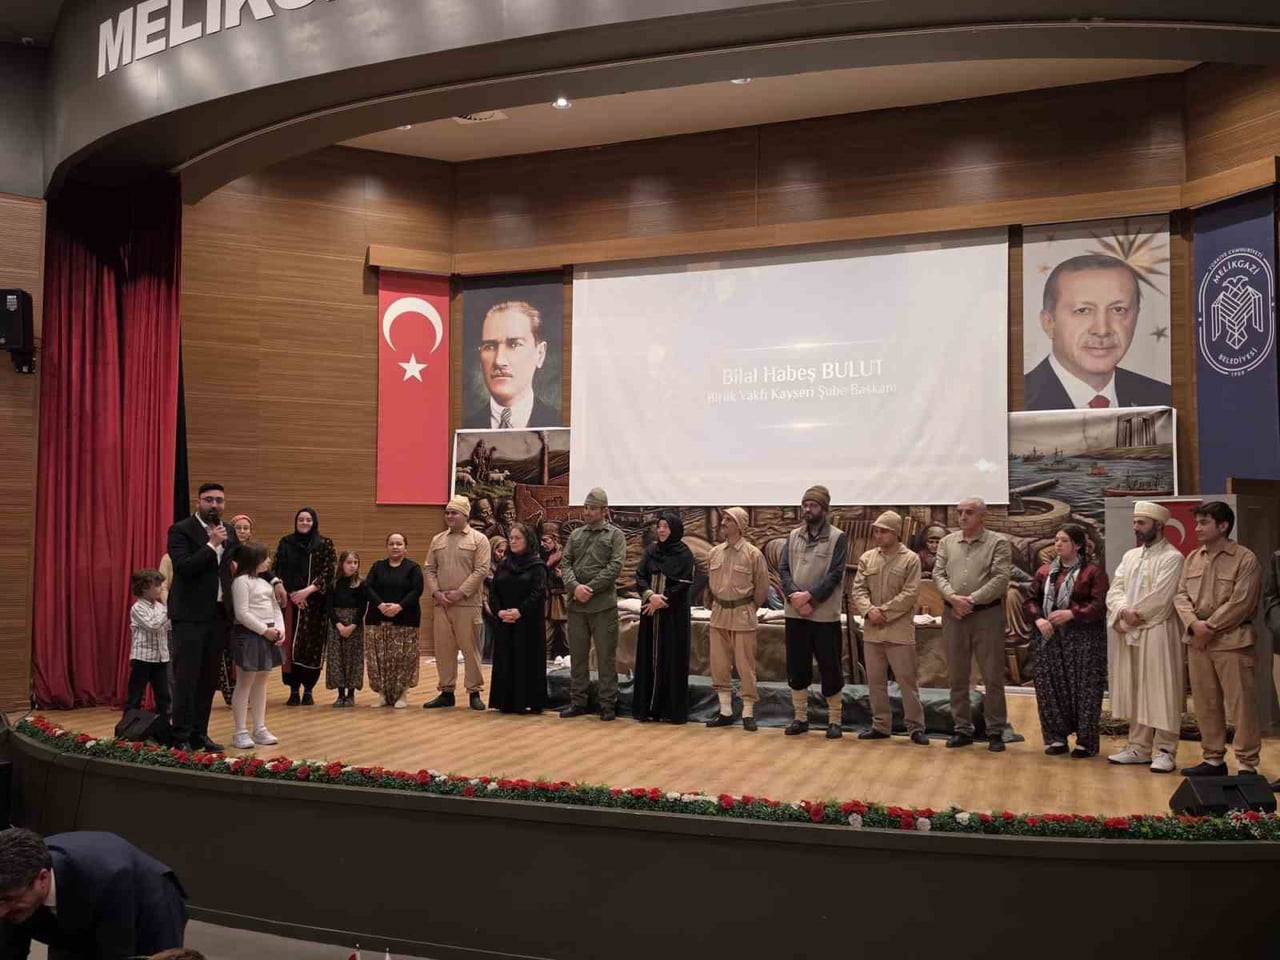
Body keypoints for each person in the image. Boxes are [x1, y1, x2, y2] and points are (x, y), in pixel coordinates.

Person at [166, 483, 284, 753]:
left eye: (219, 501)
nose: (215, 505)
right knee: (187, 677)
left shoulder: (229, 531)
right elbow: (184, 567)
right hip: (190, 615)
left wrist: (274, 579)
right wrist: (211, 544)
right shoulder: (181, 530)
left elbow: (249, 561)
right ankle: (180, 735)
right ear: (199, 502)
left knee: (209, 678)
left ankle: (199, 733)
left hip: (219, 615)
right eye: (209, 500)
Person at [1173, 501, 1265, 778]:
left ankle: (1247, 764)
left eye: (1204, 523)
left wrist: (1208, 627)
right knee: (1205, 703)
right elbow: (1180, 596)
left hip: (1232, 642)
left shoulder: (1245, 558)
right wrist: (1193, 625)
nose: (1197, 528)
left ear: (1223, 526)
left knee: (1241, 705)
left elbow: (1242, 602)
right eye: (1197, 522)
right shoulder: (1192, 558)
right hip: (1199, 644)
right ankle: (1213, 759)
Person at [0, 828, 187, 959]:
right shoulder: (12, 885)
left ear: (42, 878)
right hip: (70, 909)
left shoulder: (107, 879)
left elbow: (117, 952)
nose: (1, 911)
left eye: (9, 899)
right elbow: (7, 951)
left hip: (144, 905)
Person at [1025, 254, 1169, 410]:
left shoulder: (1164, 400)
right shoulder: (1015, 403)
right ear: (1049, 323)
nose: (1102, 330)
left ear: (1136, 317)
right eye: (1083, 310)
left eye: (1118, 310)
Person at [1105, 501, 1187, 774]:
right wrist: (1122, 611)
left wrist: (1134, 614)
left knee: (1161, 690)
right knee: (1137, 689)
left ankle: (1165, 751)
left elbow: (1162, 598)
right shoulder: (1130, 556)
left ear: (1159, 526)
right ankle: (1138, 748)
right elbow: (1115, 589)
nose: (1136, 528)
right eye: (1135, 522)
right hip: (1130, 631)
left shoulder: (1173, 558)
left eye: (1141, 523)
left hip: (1159, 631)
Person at [1023, 524, 1110, 757]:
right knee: (1049, 688)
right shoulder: (1045, 572)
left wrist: (1073, 613)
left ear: (1078, 545)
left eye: (1063, 540)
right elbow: (1030, 600)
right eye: (1056, 540)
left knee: (1084, 689)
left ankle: (1085, 742)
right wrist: (1039, 619)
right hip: (1049, 637)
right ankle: (1056, 738)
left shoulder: (1092, 572)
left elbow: (1100, 605)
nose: (1058, 544)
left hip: (1083, 639)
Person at [933, 497, 1012, 752]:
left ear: (982, 517)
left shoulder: (998, 542)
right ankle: (962, 729)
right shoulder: (947, 542)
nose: (963, 517)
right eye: (960, 512)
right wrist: (954, 599)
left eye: (969, 512)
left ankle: (995, 731)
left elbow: (1000, 578)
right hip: (954, 615)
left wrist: (972, 600)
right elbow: (938, 574)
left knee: (992, 676)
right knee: (957, 675)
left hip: (986, 616)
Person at [851, 511, 928, 745]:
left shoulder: (910, 559)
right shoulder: (867, 558)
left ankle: (915, 727)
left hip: (899, 631)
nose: (878, 534)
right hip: (873, 631)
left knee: (907, 682)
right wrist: (868, 610)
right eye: (876, 530)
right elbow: (858, 590)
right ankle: (881, 725)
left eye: (883, 530)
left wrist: (883, 612)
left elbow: (910, 593)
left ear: (895, 533)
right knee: (875, 682)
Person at [778, 484, 849, 739]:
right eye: (805, 504)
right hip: (796, 613)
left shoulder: (837, 537)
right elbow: (783, 570)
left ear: (825, 509)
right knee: (797, 666)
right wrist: (795, 598)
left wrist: (810, 597)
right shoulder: (793, 535)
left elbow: (835, 575)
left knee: (830, 667)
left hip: (824, 615)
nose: (808, 509)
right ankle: (800, 718)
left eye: (813, 505)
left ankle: (834, 720)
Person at [559, 487, 626, 721]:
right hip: (577, 606)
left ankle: (608, 704)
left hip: (603, 608)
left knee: (606, 657)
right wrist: (575, 587)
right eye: (586, 507)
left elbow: (615, 567)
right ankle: (578, 702)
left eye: (593, 508)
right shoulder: (576, 535)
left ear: (604, 510)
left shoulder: (615, 535)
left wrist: (591, 588)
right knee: (577, 656)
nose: (587, 512)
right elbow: (565, 563)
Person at [424, 495, 492, 711]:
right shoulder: (437, 540)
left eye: (454, 513)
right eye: (447, 513)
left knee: (470, 649)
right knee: (443, 650)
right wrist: (436, 593)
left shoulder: (479, 540)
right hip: (442, 604)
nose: (449, 516)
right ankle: (446, 691)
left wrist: (460, 593)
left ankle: (474, 692)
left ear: (465, 515)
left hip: (467, 605)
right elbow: (429, 568)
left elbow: (481, 570)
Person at [704, 507, 770, 731]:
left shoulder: (753, 554)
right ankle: (725, 711)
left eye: (728, 519)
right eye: (723, 518)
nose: (723, 522)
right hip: (719, 613)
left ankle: (748, 713)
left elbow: (762, 588)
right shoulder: (714, 553)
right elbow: (711, 586)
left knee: (745, 664)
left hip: (743, 613)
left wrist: (750, 607)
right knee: (719, 663)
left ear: (740, 526)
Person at [633, 512, 695, 724]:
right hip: (650, 612)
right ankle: (648, 708)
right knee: (649, 657)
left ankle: (671, 710)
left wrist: (663, 599)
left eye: (666, 527)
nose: (661, 530)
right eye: (659, 526)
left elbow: (684, 583)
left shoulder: (684, 553)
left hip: (673, 615)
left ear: (675, 530)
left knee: (672, 657)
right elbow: (640, 576)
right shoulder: (651, 550)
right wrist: (650, 595)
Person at [274, 507, 337, 707]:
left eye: (308, 520)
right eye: (301, 519)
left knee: (311, 648)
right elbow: (277, 568)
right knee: (290, 647)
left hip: (314, 604)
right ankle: (293, 690)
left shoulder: (324, 544)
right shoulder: (285, 543)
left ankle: (308, 690)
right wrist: (291, 594)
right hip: (290, 604)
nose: (304, 523)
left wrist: (307, 591)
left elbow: (329, 571)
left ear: (314, 522)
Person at [466, 300, 561, 428]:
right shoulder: (465, 427)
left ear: (540, 353)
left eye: (515, 345)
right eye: (489, 346)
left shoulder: (560, 424)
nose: (499, 361)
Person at [228, 541, 284, 750]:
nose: (268, 561)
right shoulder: (241, 582)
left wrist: (280, 629)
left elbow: (275, 608)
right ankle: (240, 731)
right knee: (245, 682)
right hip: (249, 635)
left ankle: (259, 727)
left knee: (261, 682)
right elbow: (242, 613)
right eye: (264, 558)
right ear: (253, 560)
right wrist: (264, 630)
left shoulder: (266, 582)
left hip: (268, 635)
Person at [488, 522, 548, 714]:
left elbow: (538, 593)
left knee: (526, 661)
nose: (513, 542)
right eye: (511, 538)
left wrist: (520, 611)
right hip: (505, 622)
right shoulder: (504, 565)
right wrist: (499, 611)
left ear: (528, 540)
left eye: (517, 538)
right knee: (506, 659)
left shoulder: (537, 565)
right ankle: (506, 701)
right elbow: (493, 592)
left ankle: (527, 700)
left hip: (527, 624)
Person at [363, 533, 424, 708]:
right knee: (380, 658)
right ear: (387, 546)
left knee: (403, 659)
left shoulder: (413, 568)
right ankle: (382, 694)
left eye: (399, 543)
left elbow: (416, 590)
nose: (395, 547)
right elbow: (367, 587)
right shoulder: (377, 567)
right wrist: (381, 605)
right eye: (391, 543)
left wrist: (399, 607)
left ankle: (402, 695)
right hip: (378, 619)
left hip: (406, 620)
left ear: (406, 548)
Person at [124, 569, 172, 721]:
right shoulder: (137, 608)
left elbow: (168, 627)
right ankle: (128, 730)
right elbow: (153, 626)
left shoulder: (160, 607)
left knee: (164, 696)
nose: (160, 589)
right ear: (145, 588)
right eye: (157, 586)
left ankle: (164, 729)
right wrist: (169, 610)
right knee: (135, 696)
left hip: (161, 659)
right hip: (142, 659)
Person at [325, 550, 367, 707]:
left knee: (352, 659)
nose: (352, 565)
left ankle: (351, 694)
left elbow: (363, 607)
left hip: (354, 625)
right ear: (342, 564)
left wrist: (352, 625)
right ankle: (340, 693)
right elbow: (329, 607)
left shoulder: (361, 584)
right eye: (349, 562)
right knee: (337, 658)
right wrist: (339, 625)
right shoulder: (333, 584)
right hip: (337, 624)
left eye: (355, 562)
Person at [541, 523, 569, 658]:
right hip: (549, 601)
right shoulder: (545, 556)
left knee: (569, 639)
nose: (542, 544)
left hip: (563, 600)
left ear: (555, 539)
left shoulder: (567, 555)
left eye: (545, 540)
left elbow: (579, 577)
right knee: (545, 640)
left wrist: (563, 576)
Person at [480, 536, 508, 664]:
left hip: (500, 607)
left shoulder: (504, 566)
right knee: (485, 640)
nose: (502, 555)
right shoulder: (484, 566)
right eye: (499, 551)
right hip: (485, 605)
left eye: (504, 552)